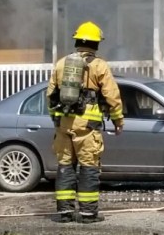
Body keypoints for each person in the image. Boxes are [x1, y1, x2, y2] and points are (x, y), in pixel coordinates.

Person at [47, 21, 124, 224]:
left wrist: (56, 121)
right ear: (96, 44)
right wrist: (118, 120)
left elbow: (50, 95)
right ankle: (88, 213)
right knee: (88, 168)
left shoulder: (62, 63)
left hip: (64, 126)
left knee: (65, 167)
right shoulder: (99, 65)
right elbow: (112, 95)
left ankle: (65, 213)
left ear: (77, 40)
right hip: (87, 128)